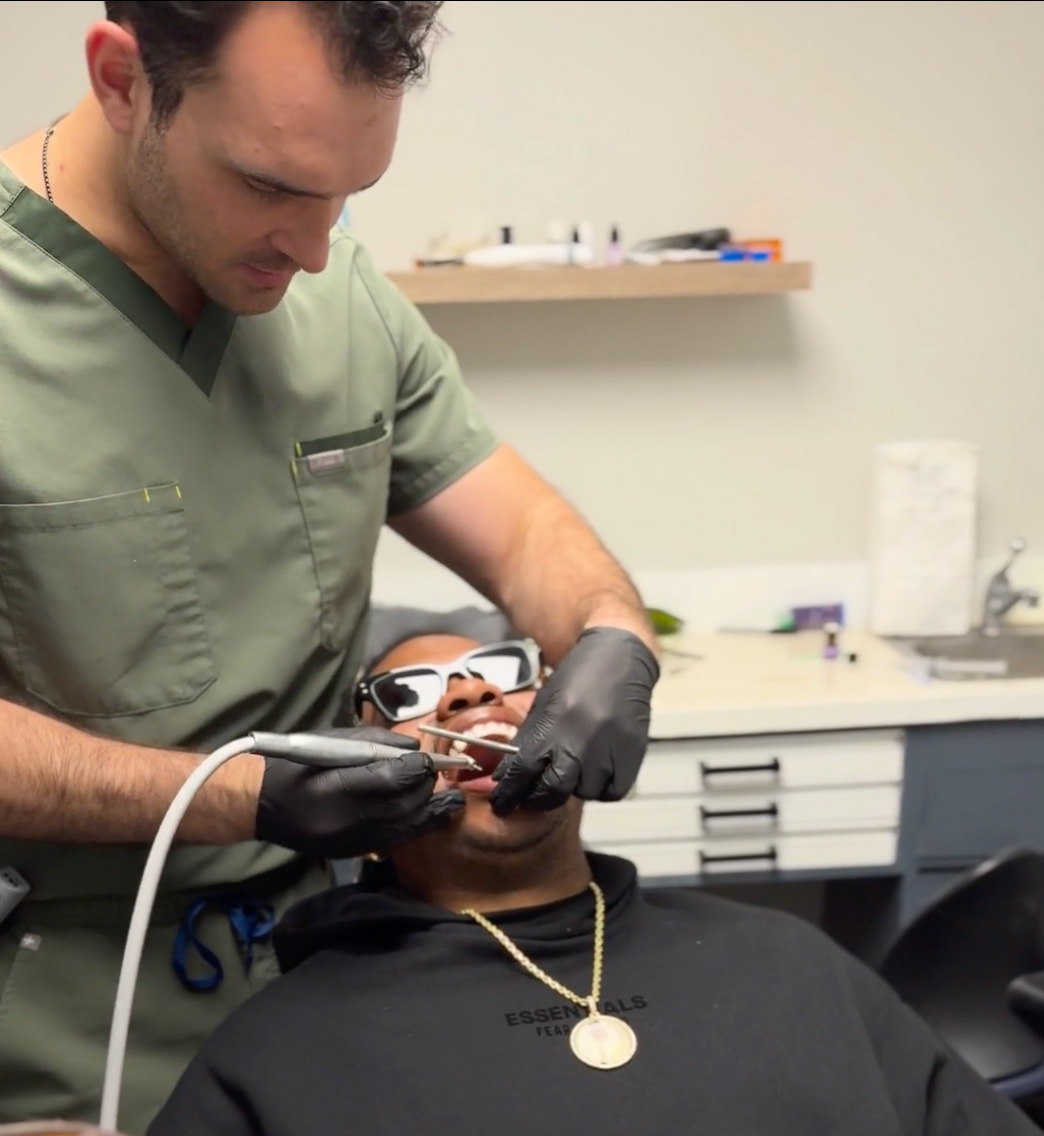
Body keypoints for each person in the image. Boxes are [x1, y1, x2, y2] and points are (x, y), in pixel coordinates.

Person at [0, 2, 659, 1129]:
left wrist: (610, 635)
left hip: (334, 985)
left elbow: (525, 532)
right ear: (122, 81)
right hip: (70, 1023)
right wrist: (239, 796)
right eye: (267, 184)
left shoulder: (335, 293)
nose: (313, 248)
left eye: (346, 192)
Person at [149, 627, 1038, 1136]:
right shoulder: (277, 1056)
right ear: (351, 777)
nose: (466, 698)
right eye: (410, 696)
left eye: (502, 675)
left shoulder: (794, 966)